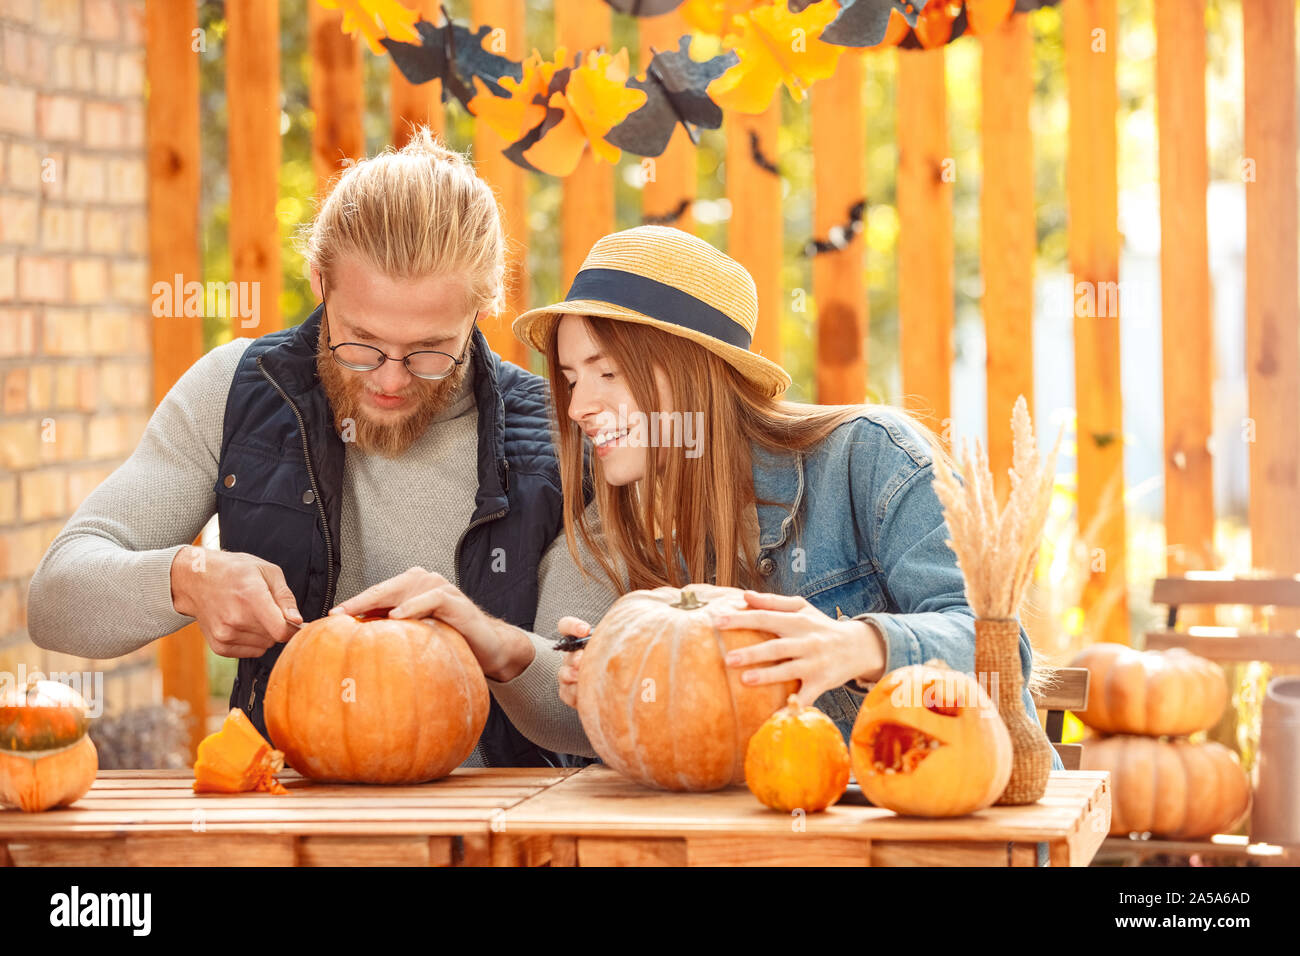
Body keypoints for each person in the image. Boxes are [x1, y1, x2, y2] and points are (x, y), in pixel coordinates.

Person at [27, 129, 604, 767]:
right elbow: (56, 599)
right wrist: (185, 578)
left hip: (499, 837)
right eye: (361, 342)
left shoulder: (561, 433)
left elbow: (582, 711)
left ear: (484, 306)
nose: (390, 378)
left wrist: (494, 644)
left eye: (430, 350)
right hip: (285, 821)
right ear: (319, 279)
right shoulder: (236, 391)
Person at [504, 224, 1061, 769]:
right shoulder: (636, 531)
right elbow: (696, 745)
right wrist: (615, 683)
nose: (578, 408)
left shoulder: (868, 458)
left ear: (695, 373)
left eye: (608, 373)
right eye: (573, 379)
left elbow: (999, 656)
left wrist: (859, 645)